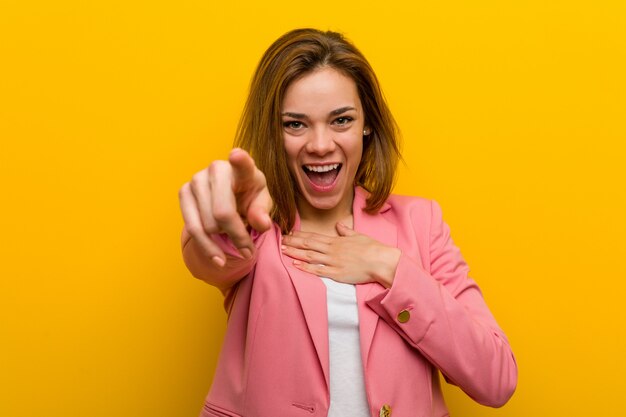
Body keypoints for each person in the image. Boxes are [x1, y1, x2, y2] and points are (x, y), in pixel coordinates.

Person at [179, 28, 517, 417]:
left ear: (366, 125)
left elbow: (497, 378)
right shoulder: (256, 228)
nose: (320, 144)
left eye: (340, 120)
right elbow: (210, 256)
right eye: (295, 124)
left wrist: (389, 268)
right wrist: (222, 216)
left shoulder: (421, 224)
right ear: (274, 132)